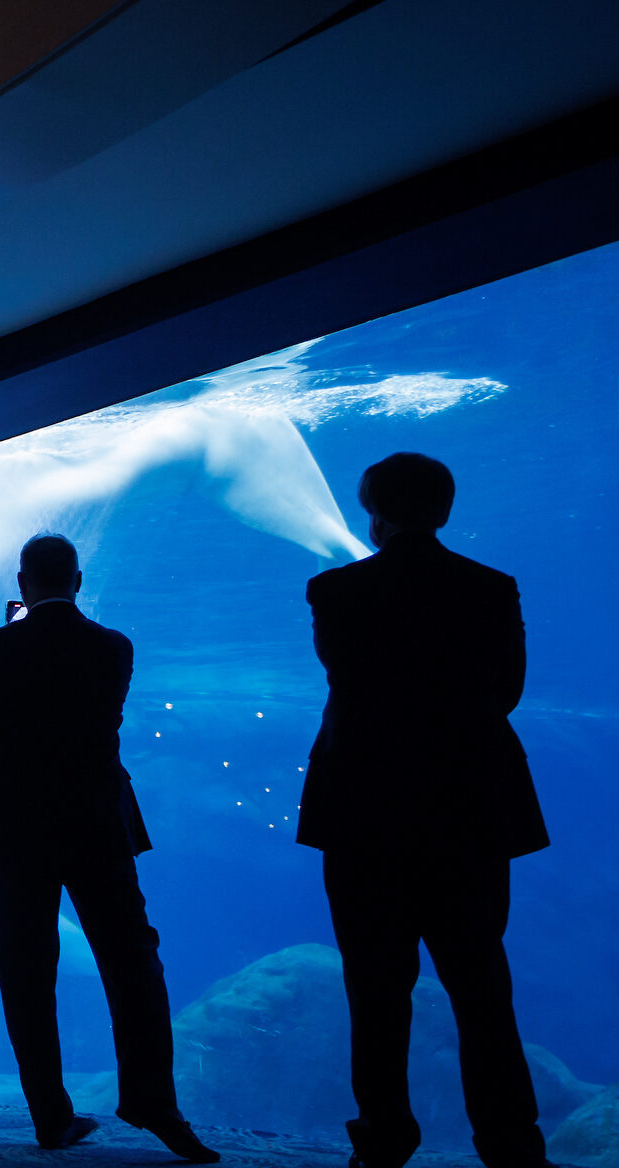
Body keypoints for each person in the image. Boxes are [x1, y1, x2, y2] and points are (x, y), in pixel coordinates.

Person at [300, 453, 553, 1168]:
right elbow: (507, 692)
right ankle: (510, 1141)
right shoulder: (491, 588)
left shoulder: (333, 590)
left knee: (376, 986)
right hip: (469, 809)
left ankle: (385, 1135)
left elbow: (348, 676)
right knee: (480, 983)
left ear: (374, 515)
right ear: (443, 512)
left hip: (364, 811)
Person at [0, 534, 218, 1163]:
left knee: (27, 968)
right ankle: (154, 1102)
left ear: (22, 583)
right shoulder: (113, 648)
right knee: (133, 960)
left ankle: (50, 1115)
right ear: (78, 579)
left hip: (17, 827)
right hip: (97, 823)